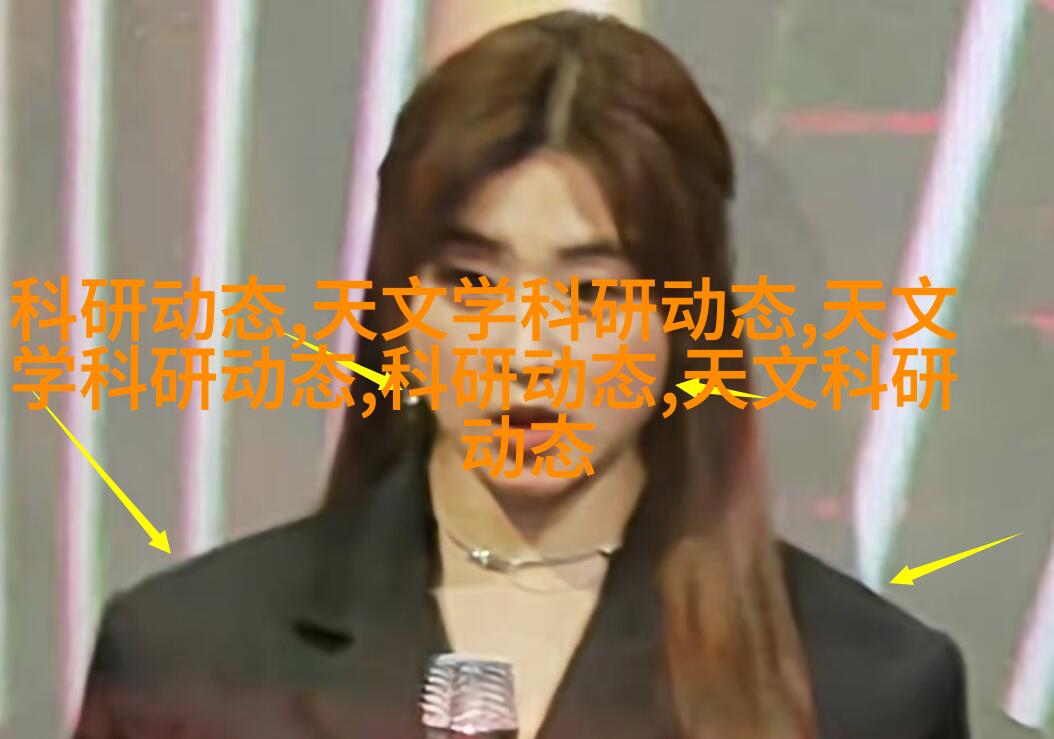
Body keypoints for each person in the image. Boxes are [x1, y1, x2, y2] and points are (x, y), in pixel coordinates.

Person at [72, 10, 968, 739]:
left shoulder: (866, 692)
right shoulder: (185, 664)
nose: (527, 350)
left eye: (591, 292)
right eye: (471, 283)